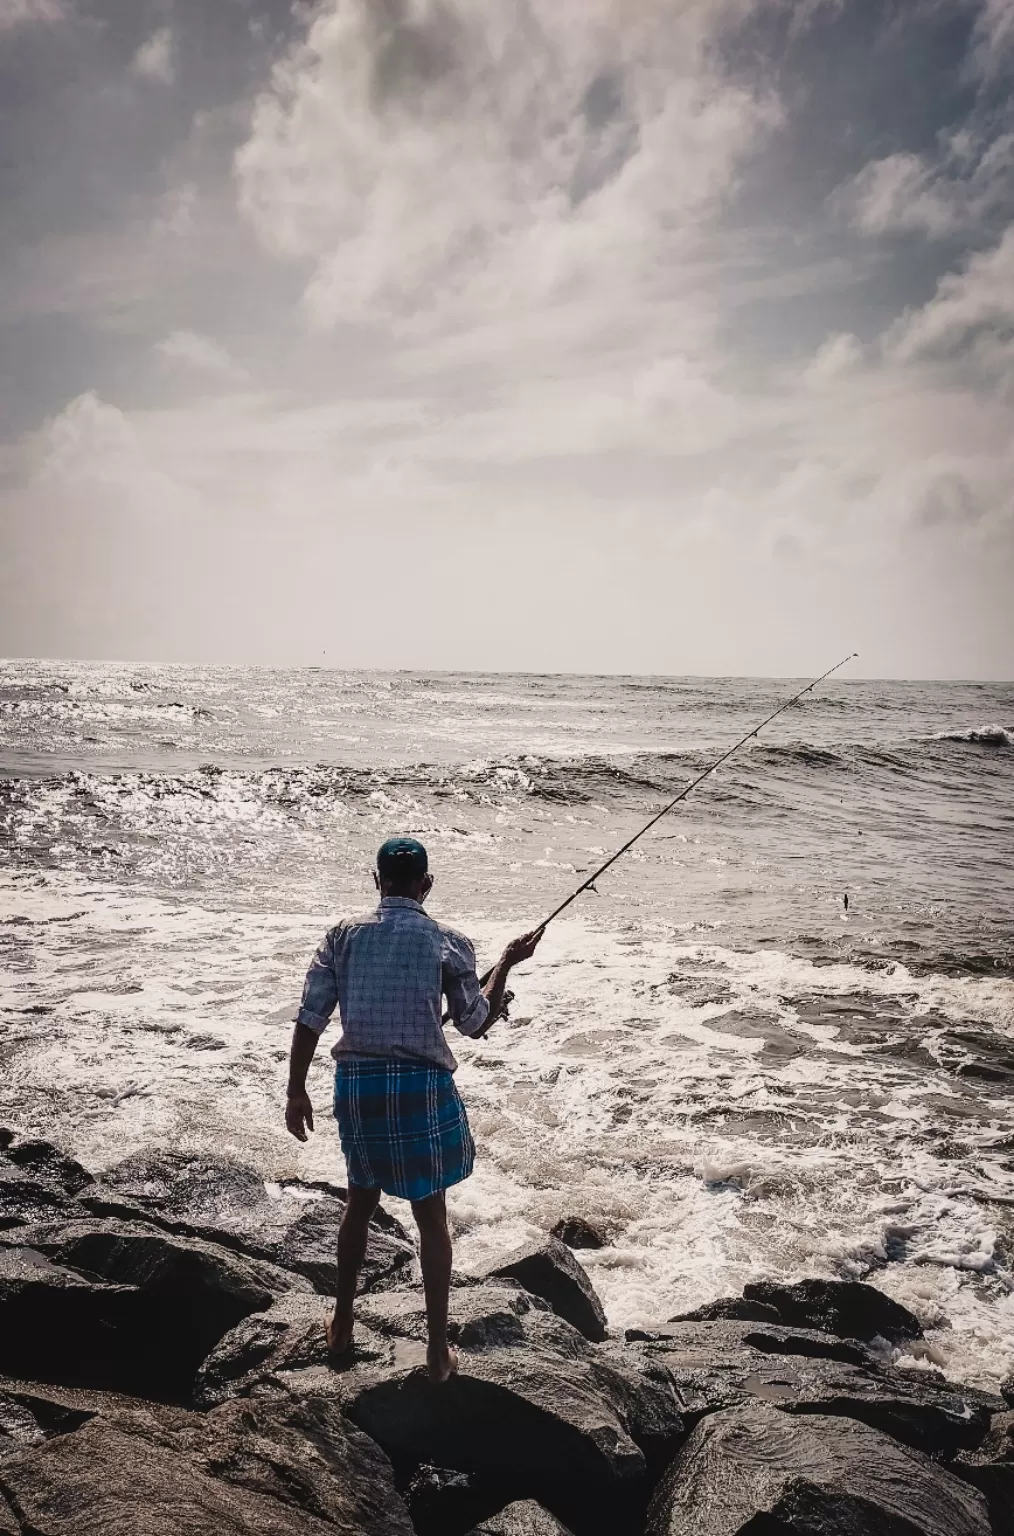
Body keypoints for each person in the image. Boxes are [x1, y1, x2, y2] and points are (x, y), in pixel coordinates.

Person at [285, 836, 542, 1383]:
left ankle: (342, 1323)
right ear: (426, 884)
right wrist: (507, 965)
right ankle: (434, 1351)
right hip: (421, 1087)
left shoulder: (342, 937)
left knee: (359, 1204)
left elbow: (310, 1016)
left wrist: (296, 1090)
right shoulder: (448, 943)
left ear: (376, 880)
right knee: (431, 1219)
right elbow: (475, 1021)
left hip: (358, 1085)